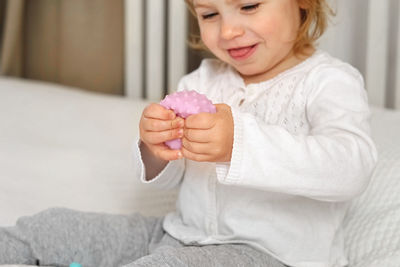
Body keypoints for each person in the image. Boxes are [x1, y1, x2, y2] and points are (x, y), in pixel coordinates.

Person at [0, 0, 377, 266]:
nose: (228, 30)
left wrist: (239, 144)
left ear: (303, 3)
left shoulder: (328, 82)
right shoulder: (203, 80)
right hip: (177, 232)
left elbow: (351, 166)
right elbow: (173, 180)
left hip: (269, 255)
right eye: (210, 13)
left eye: (249, 6)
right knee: (55, 227)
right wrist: (155, 147)